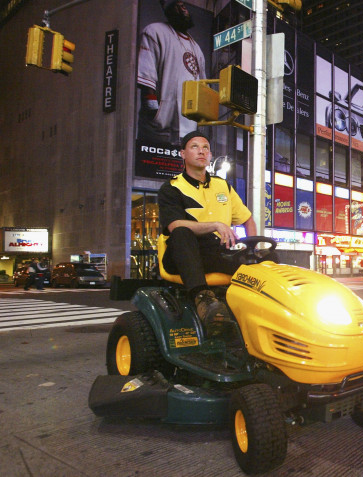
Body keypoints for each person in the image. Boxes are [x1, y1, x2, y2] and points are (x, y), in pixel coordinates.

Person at [158, 130, 256, 335]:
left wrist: (252, 246)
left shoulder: (223, 186)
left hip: (215, 252)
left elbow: (247, 219)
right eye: (194, 147)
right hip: (182, 253)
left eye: (205, 148)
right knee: (183, 232)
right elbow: (175, 226)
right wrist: (215, 225)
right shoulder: (172, 188)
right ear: (183, 154)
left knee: (265, 260)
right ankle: (203, 299)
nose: (201, 151)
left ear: (210, 155)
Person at [137, 0, 206, 146]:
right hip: (161, 129)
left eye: (184, 5)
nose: (182, 8)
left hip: (190, 133)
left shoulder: (197, 48)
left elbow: (203, 87)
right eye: (177, 5)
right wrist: (154, 114)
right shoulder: (154, 31)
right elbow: (146, 74)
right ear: (168, 10)